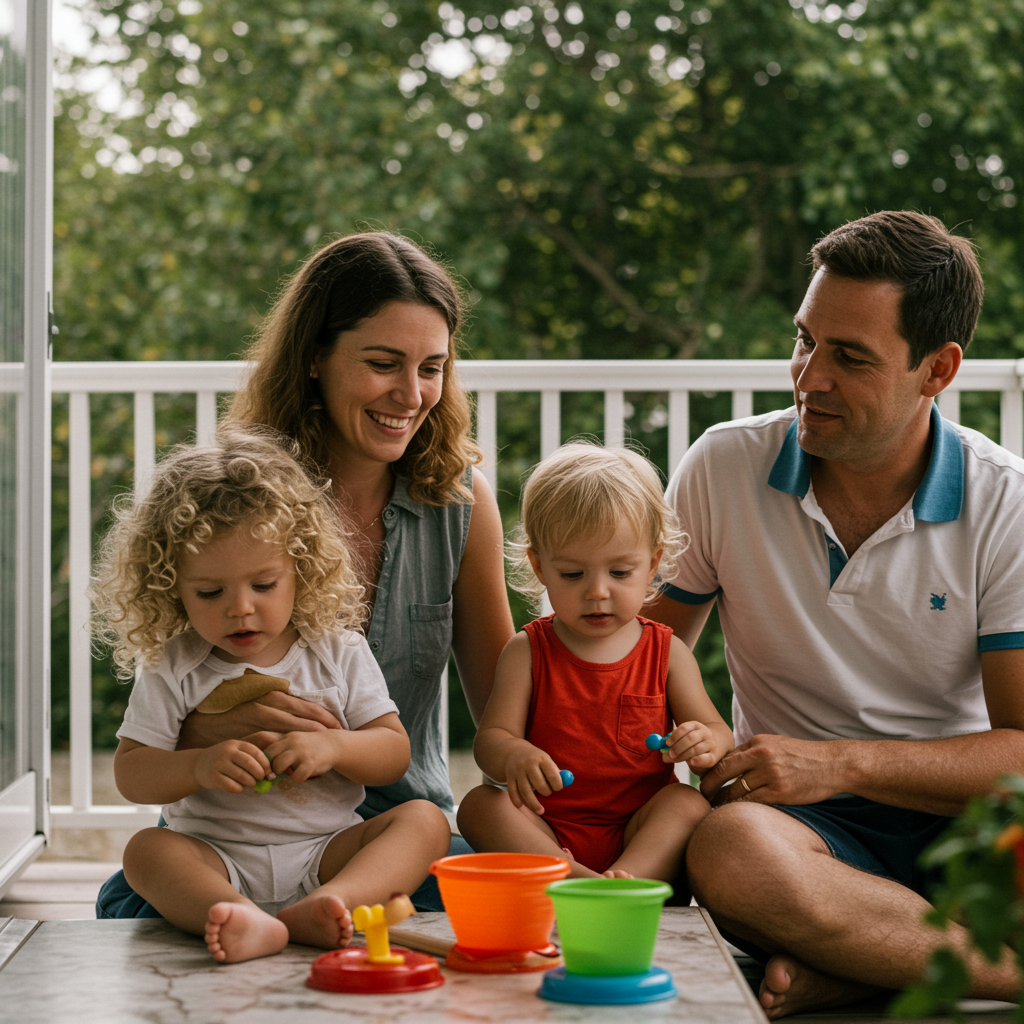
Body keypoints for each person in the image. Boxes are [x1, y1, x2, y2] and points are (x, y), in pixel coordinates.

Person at [647, 211, 1024, 1018]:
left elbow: (1022, 759)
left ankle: (865, 961)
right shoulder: (724, 464)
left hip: (965, 830)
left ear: (938, 370)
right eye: (804, 340)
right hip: (798, 835)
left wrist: (841, 762)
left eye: (849, 357)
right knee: (727, 847)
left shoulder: (1007, 502)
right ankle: (971, 967)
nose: (808, 376)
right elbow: (631, 657)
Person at [96, 231, 515, 919]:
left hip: (387, 837)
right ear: (315, 357)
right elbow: (159, 708)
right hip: (231, 836)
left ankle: (322, 912)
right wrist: (202, 741)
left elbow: (509, 710)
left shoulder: (460, 503)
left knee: (473, 884)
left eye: (432, 367)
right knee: (149, 889)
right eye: (384, 363)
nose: (411, 395)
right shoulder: (238, 503)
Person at [92, 430, 452, 963]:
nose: (240, 608)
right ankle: (237, 914)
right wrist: (198, 766)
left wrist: (334, 748)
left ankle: (336, 903)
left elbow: (393, 752)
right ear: (171, 585)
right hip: (217, 855)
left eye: (263, 585)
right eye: (210, 592)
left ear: (301, 571)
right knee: (146, 852)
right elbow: (132, 773)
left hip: (326, 851)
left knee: (424, 821)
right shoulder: (175, 664)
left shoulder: (338, 650)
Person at [458, 443, 732, 885]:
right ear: (540, 566)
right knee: (480, 806)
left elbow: (718, 733)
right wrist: (514, 753)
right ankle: (578, 881)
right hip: (547, 829)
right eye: (572, 574)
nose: (597, 592)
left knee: (687, 803)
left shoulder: (667, 653)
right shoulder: (528, 650)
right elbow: (491, 742)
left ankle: (623, 882)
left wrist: (705, 743)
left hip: (637, 835)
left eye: (620, 573)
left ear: (653, 564)